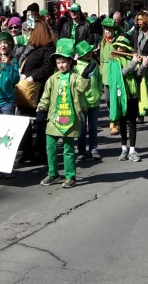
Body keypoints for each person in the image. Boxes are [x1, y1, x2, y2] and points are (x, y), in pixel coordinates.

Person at [36, 38, 94, 188]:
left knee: (68, 149)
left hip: (70, 118)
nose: (61, 65)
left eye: (64, 62)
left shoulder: (75, 78)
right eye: (58, 62)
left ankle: (70, 175)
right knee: (51, 147)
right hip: (54, 119)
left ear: (70, 62)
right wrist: (41, 110)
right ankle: (53, 173)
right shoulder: (52, 79)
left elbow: (82, 88)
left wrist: (85, 76)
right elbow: (46, 97)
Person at [16, 18, 56, 162]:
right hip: (27, 89)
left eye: (32, 31)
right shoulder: (32, 48)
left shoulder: (48, 49)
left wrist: (33, 76)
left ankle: (41, 153)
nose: (29, 33)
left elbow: (48, 68)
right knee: (24, 120)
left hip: (39, 89)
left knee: (40, 121)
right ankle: (26, 151)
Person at [108, 34, 146, 163]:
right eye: (117, 46)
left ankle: (132, 150)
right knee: (122, 122)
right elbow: (121, 74)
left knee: (132, 122)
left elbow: (137, 75)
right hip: (121, 95)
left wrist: (143, 65)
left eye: (122, 47)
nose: (119, 49)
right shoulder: (114, 61)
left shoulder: (130, 59)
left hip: (132, 94)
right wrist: (133, 62)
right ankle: (123, 149)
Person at [128, 10, 148, 117]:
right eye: (137, 19)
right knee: (139, 88)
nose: (139, 21)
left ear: (146, 20)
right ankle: (140, 113)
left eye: (141, 19)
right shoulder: (136, 31)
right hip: (139, 62)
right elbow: (132, 43)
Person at [75, 40, 102, 160]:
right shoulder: (76, 67)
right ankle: (81, 151)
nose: (89, 54)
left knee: (93, 127)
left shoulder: (94, 63)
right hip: (82, 102)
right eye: (86, 53)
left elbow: (99, 79)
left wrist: (100, 91)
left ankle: (94, 149)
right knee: (81, 128)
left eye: (90, 52)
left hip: (94, 100)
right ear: (80, 55)